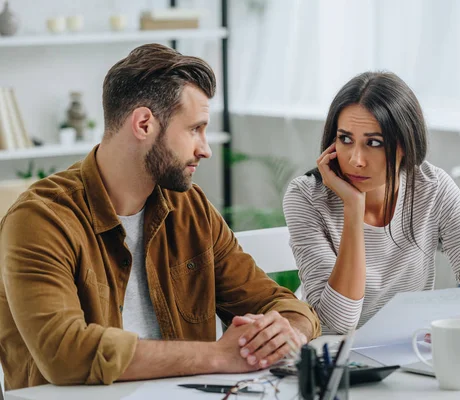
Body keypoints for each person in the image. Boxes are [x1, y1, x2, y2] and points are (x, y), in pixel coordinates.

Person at [0, 44, 320, 390]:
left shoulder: (190, 209)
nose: (205, 148)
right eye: (195, 129)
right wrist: (217, 355)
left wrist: (287, 329)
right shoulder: (39, 220)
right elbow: (64, 354)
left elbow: (278, 302)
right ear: (144, 124)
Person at [283, 71, 460, 335]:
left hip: (409, 353)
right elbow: (337, 323)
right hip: (333, 359)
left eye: (374, 143)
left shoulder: (432, 187)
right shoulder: (306, 197)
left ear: (404, 143)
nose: (356, 159)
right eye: (345, 139)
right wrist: (353, 207)